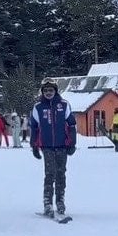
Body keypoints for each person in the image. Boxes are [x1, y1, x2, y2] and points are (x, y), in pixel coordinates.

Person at [28, 80, 77, 217]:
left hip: (62, 145)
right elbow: (34, 127)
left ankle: (60, 201)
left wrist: (72, 142)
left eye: (51, 90)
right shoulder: (38, 107)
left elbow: (72, 124)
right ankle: (47, 203)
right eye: (45, 91)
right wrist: (34, 146)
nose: (48, 93)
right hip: (47, 146)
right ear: (42, 92)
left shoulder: (64, 105)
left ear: (55, 91)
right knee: (50, 173)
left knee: (61, 173)